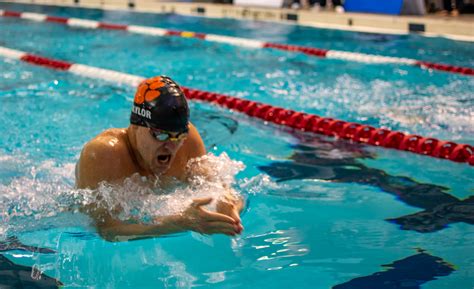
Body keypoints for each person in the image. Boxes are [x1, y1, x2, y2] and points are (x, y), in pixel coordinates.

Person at [75, 76, 244, 241]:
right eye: (161, 136)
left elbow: (219, 187)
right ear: (136, 125)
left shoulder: (188, 140)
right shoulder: (103, 154)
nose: (171, 146)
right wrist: (177, 223)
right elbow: (107, 230)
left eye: (178, 136)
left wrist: (228, 204)